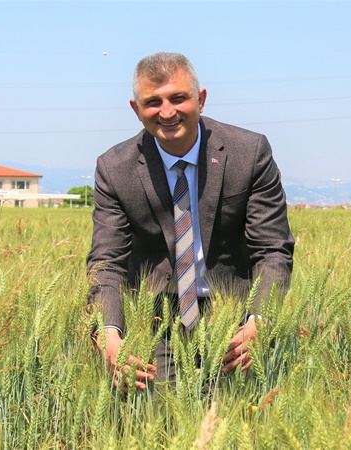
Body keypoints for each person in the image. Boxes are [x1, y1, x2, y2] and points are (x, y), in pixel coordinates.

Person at [87, 52, 294, 391]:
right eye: (153, 102)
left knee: (244, 419)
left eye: (178, 98)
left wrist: (261, 319)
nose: (167, 112)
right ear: (135, 109)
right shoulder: (114, 169)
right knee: (160, 418)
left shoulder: (249, 153)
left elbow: (272, 249)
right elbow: (107, 262)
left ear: (201, 99)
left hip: (237, 310)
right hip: (156, 315)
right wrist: (109, 331)